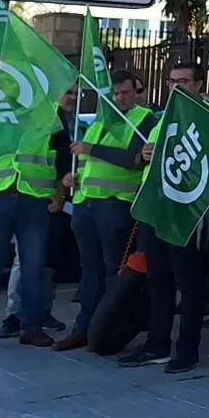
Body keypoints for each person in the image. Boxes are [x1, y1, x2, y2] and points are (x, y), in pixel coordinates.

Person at [0, 76, 67, 354]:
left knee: (33, 268)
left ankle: (31, 327)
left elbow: (63, 158)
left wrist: (59, 191)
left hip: (33, 198)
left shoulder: (51, 114)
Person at [119, 65, 209, 374]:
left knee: (189, 283)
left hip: (186, 211)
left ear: (198, 84)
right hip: (156, 208)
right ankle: (156, 345)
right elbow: (153, 155)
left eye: (183, 81)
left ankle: (187, 350)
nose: (176, 86)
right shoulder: (162, 118)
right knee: (157, 278)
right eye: (172, 81)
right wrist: (146, 153)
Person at [57, 70, 156, 352]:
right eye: (115, 94)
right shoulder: (101, 120)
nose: (120, 98)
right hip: (86, 204)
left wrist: (92, 148)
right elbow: (88, 162)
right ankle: (84, 328)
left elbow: (135, 160)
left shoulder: (144, 120)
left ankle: (111, 330)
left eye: (125, 92)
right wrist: (72, 178)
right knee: (90, 271)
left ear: (137, 92)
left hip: (116, 205)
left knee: (116, 272)